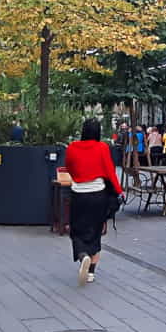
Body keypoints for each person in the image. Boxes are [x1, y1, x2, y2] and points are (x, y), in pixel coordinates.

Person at [64, 118, 122, 285]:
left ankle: (82, 255)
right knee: (96, 232)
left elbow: (69, 167)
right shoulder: (102, 147)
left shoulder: (72, 147)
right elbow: (110, 171)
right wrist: (119, 191)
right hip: (98, 195)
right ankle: (90, 273)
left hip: (79, 195)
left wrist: (78, 177)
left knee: (76, 230)